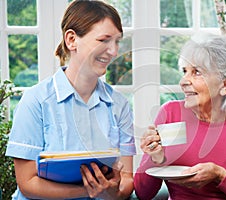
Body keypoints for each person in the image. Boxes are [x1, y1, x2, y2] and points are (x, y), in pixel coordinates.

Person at [5, 1, 136, 199]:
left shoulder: (120, 105)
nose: (114, 52)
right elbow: (27, 183)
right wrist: (88, 191)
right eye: (104, 40)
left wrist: (113, 192)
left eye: (117, 42)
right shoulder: (36, 101)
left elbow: (126, 178)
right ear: (72, 40)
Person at [134, 33, 226, 199]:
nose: (183, 81)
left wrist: (220, 176)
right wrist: (156, 158)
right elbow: (142, 194)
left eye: (196, 72)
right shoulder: (171, 113)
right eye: (185, 71)